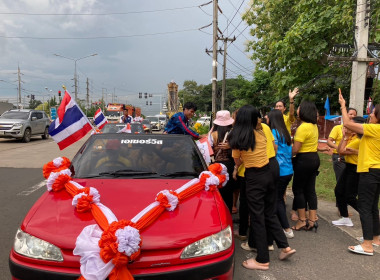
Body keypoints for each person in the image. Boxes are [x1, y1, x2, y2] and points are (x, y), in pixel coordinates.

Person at [229, 105, 296, 271]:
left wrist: (243, 160)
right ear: (254, 119)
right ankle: (284, 246)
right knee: (269, 212)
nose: (261, 119)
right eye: (258, 117)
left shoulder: (235, 137)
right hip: (269, 173)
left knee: (257, 217)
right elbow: (271, 149)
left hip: (254, 177)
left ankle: (262, 259)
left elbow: (237, 162)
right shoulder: (262, 132)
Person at [339, 93, 380, 256]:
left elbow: (348, 123)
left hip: (369, 172)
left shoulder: (374, 129)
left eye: (373, 112)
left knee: (364, 207)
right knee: (372, 207)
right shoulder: (374, 131)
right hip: (377, 171)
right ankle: (376, 239)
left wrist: (343, 105)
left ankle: (367, 245)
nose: (370, 114)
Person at [291, 100, 320, 232]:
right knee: (310, 190)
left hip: (304, 160)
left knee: (298, 189)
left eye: (299, 108)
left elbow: (296, 149)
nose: (297, 110)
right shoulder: (314, 126)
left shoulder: (303, 127)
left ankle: (302, 220)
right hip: (314, 158)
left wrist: (286, 151)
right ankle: (312, 220)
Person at [332, 116, 366, 227]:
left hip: (356, 169)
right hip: (349, 166)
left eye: (351, 124)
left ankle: (367, 215)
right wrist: (345, 136)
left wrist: (345, 137)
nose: (347, 126)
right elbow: (340, 150)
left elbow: (341, 151)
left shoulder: (358, 140)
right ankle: (345, 217)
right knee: (338, 191)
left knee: (349, 196)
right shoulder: (352, 137)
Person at [268, 109, 294, 238]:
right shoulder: (285, 132)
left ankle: (286, 228)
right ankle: (281, 224)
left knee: (277, 199)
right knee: (279, 198)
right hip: (288, 170)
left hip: (279, 170)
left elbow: (274, 148)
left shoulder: (274, 132)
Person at [209, 110, 235, 212]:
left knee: (216, 191)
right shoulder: (233, 133)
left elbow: (209, 151)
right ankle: (227, 212)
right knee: (228, 192)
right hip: (230, 165)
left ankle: (217, 212)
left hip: (216, 166)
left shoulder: (212, 135)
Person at [327, 108, 357, 183]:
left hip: (351, 157)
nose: (352, 116)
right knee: (341, 180)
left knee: (350, 181)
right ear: (346, 115)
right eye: (350, 114)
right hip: (339, 156)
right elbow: (329, 141)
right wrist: (338, 148)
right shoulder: (337, 128)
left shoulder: (356, 129)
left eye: (355, 115)